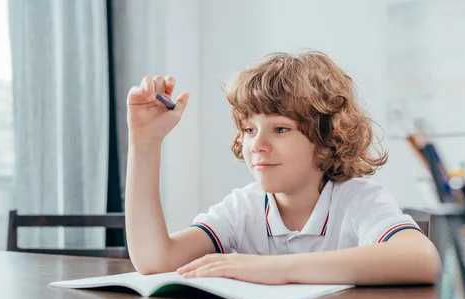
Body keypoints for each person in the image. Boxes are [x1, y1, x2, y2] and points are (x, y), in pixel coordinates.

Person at [125, 51, 439, 285]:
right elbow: (155, 261)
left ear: (326, 140)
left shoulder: (357, 200)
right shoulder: (243, 209)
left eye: (280, 129)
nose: (257, 145)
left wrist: (275, 269)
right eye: (249, 130)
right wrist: (145, 143)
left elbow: (424, 260)